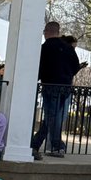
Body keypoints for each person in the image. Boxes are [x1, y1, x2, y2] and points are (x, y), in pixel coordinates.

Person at [30, 21, 81, 159]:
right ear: (58, 32)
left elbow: (38, 68)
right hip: (65, 87)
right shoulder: (68, 48)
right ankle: (37, 143)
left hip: (50, 85)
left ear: (46, 32)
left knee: (52, 116)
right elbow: (76, 66)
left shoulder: (44, 48)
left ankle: (56, 146)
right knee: (52, 116)